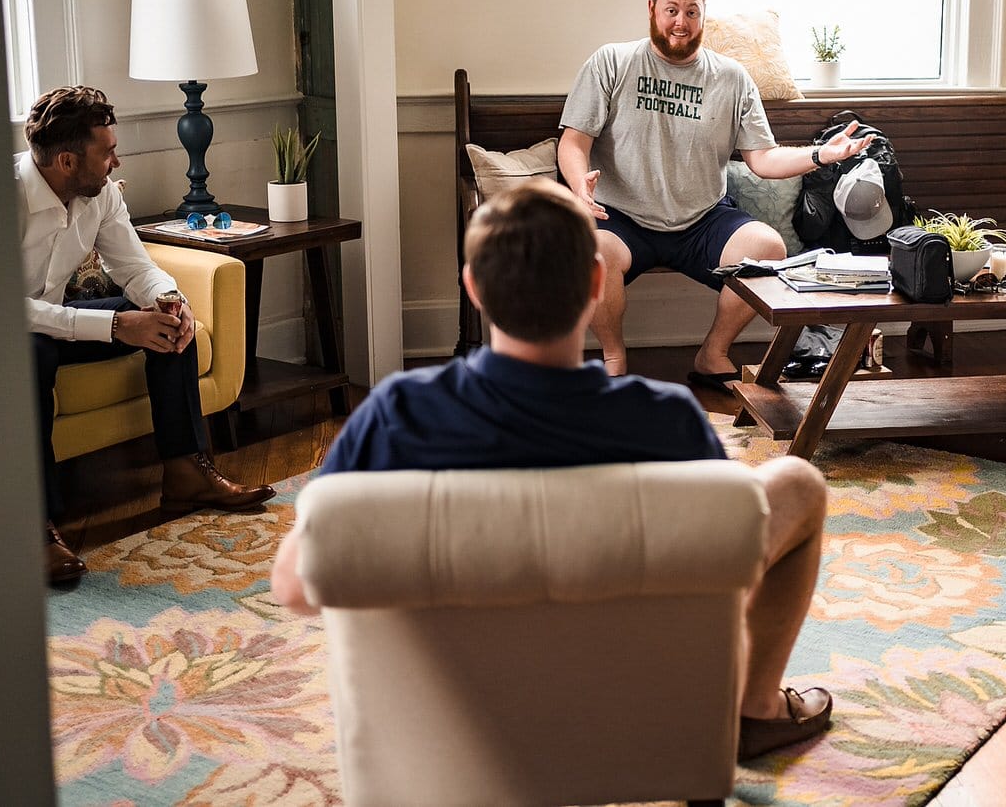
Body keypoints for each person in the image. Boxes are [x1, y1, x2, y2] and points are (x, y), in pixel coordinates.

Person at [272, 179, 834, 760]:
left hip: (459, 723)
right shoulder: (666, 420)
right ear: (595, 283)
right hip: (633, 705)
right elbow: (722, 568)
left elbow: (295, 587)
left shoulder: (398, 415)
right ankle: (755, 708)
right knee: (795, 484)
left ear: (473, 287)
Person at [556, 0, 875, 390]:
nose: (681, 22)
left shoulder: (731, 77)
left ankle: (713, 353)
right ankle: (614, 356)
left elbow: (763, 158)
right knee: (590, 253)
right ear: (651, 10)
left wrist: (822, 155)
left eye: (692, 11)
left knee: (767, 248)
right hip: (621, 217)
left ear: (704, 16)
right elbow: (573, 141)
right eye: (671, 10)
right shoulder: (612, 62)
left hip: (702, 218)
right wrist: (579, 186)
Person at [20, 87, 275, 584]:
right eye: (107, 153)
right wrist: (115, 324)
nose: (116, 162)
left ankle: (185, 472)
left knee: (165, 321)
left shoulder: (100, 194)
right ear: (67, 161)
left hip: (57, 319)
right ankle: (33, 528)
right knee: (29, 355)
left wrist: (169, 298)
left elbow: (135, 267)